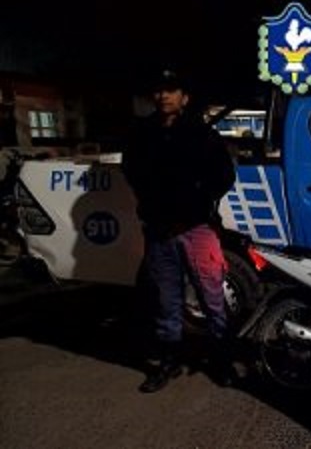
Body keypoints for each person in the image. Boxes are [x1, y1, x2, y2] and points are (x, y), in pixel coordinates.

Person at [123, 70, 236, 393]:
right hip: (158, 231)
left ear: (184, 97)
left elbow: (224, 175)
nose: (164, 96)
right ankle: (168, 362)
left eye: (171, 90)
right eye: (159, 91)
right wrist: (150, 201)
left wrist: (197, 198)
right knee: (166, 300)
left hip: (197, 229)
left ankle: (222, 360)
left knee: (212, 298)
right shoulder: (142, 132)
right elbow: (130, 170)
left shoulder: (202, 133)